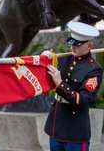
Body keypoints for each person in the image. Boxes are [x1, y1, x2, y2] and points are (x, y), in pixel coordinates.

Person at [42, 21, 103, 151]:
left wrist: (60, 84)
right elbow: (45, 75)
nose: (73, 48)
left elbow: (83, 100)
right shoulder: (65, 59)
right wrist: (45, 59)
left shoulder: (93, 70)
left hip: (74, 131)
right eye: (72, 44)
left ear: (90, 44)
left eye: (78, 45)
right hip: (56, 126)